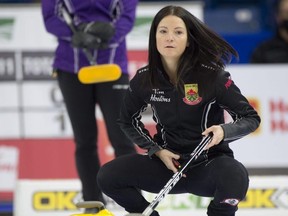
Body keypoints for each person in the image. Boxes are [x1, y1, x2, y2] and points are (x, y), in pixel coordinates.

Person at [97, 5, 261, 216]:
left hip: (208, 166)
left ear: (189, 39)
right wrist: (156, 150)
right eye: (163, 31)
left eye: (178, 32)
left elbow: (250, 118)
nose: (169, 38)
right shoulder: (144, 79)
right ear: (154, 37)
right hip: (166, 166)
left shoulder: (214, 77)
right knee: (108, 176)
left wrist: (223, 131)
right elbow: (127, 120)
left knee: (236, 177)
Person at [41, 0, 138, 212]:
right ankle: (93, 205)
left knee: (122, 138)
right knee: (84, 141)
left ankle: (135, 204)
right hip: (71, 67)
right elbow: (50, 17)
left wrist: (106, 33)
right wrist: (73, 35)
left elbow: (127, 16)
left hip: (112, 66)